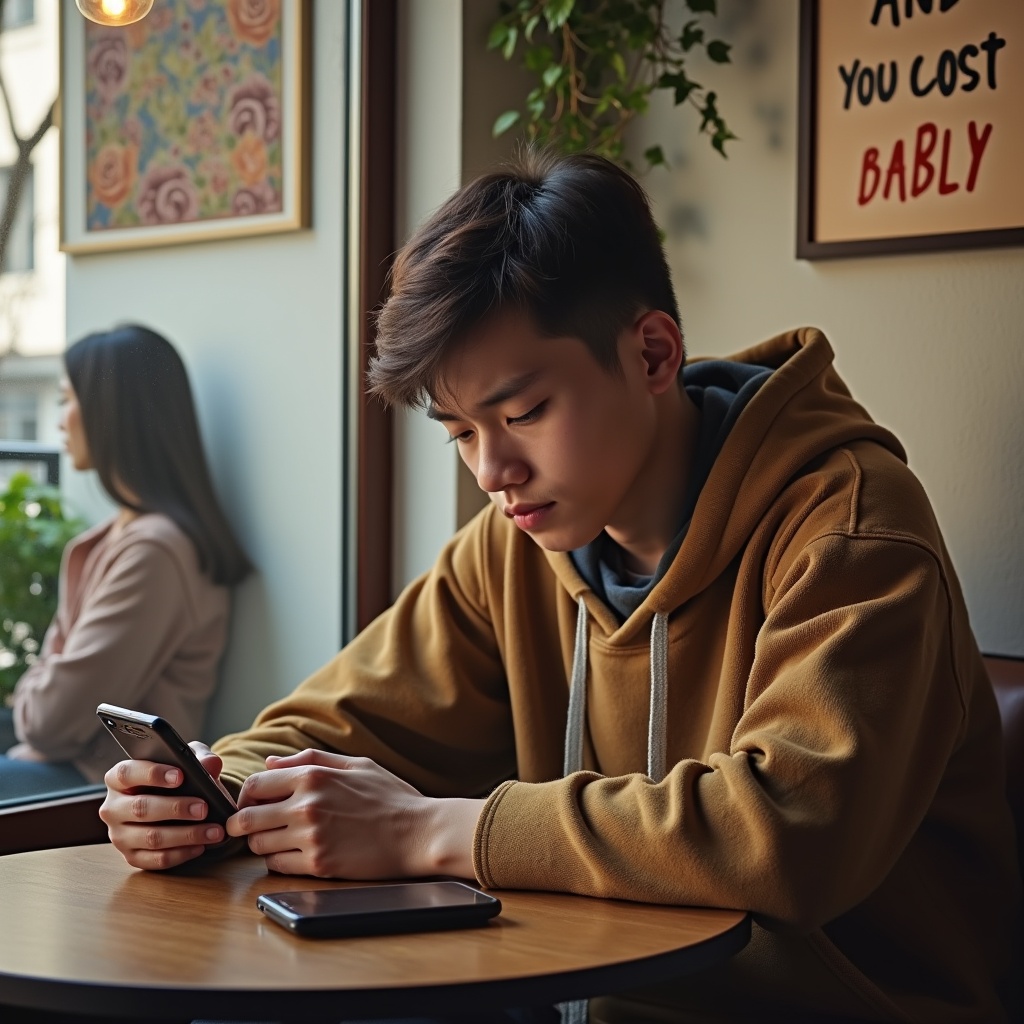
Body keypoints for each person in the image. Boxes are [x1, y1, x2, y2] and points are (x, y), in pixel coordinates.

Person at [100, 152, 1020, 1023]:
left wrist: (430, 832)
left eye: (524, 412)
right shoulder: (514, 547)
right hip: (581, 994)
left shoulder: (850, 530)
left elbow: (787, 834)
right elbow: (324, 727)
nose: (492, 469)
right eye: (459, 431)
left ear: (654, 355)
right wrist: (204, 798)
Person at [0, 325, 250, 801]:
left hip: (101, 786)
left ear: (109, 413)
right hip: (67, 764)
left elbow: (50, 723)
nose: (59, 421)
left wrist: (30, 697)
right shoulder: (119, 537)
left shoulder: (154, 553)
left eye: (66, 400)